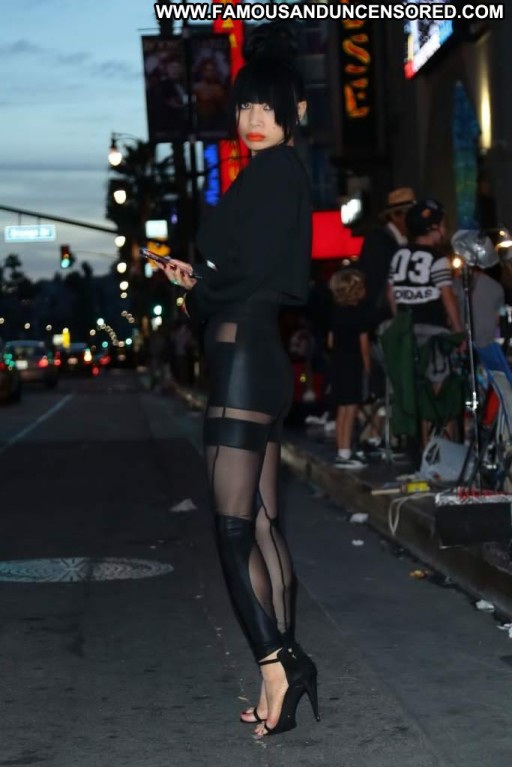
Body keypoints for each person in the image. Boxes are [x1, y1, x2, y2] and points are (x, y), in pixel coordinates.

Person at [155, 23, 319, 737]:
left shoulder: (275, 172)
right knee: (259, 524)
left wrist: (197, 291)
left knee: (230, 530)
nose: (253, 118)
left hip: (245, 361)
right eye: (245, 106)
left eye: (267, 107)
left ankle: (278, 662)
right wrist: (199, 279)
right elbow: (249, 272)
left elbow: (248, 278)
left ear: (294, 112)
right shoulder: (274, 176)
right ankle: (281, 675)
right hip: (256, 358)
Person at [387, 198, 464, 443]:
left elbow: (391, 293)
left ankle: (426, 449)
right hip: (434, 333)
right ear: (434, 228)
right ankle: (447, 448)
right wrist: (458, 331)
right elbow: (447, 295)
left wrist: (400, 320)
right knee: (442, 393)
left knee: (420, 394)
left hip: (407, 333)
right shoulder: (437, 258)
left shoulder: (398, 255)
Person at [327, 269, 371, 469]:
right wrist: (368, 368)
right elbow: (364, 347)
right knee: (351, 408)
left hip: (338, 363)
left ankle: (341, 450)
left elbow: (330, 341)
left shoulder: (335, 313)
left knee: (341, 409)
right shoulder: (359, 314)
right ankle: (346, 452)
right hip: (353, 364)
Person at [357, 187, 416, 333]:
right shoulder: (378, 241)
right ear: (396, 216)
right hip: (383, 319)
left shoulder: (404, 242)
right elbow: (377, 282)